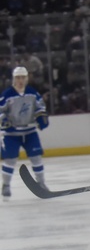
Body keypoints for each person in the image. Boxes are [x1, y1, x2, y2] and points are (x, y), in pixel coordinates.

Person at [1, 66, 48, 200]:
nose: (20, 80)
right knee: (10, 160)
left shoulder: (32, 93)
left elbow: (40, 107)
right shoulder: (7, 94)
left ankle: (41, 183)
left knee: (36, 157)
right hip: (11, 134)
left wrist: (41, 118)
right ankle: (6, 185)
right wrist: (4, 121)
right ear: (14, 79)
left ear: (26, 78)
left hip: (30, 132)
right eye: (18, 78)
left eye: (23, 77)